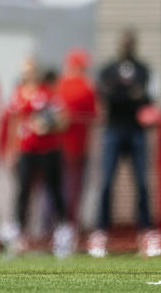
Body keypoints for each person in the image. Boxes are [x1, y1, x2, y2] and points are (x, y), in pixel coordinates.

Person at [88, 29, 157, 258]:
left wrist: (124, 94)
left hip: (136, 132)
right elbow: (107, 95)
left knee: (142, 184)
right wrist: (129, 94)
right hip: (114, 130)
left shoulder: (143, 69)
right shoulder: (108, 69)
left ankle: (146, 232)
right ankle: (101, 232)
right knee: (106, 182)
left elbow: (146, 96)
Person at [8, 61, 70, 256]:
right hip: (27, 150)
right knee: (23, 191)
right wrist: (12, 149)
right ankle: (19, 232)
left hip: (48, 150)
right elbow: (14, 123)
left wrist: (47, 124)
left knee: (53, 189)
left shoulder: (47, 93)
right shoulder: (18, 94)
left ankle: (63, 230)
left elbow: (63, 119)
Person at [55, 47, 96, 249]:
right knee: (71, 191)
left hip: (71, 147)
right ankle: (68, 229)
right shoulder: (81, 87)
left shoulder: (62, 85)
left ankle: (65, 229)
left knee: (67, 191)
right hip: (70, 147)